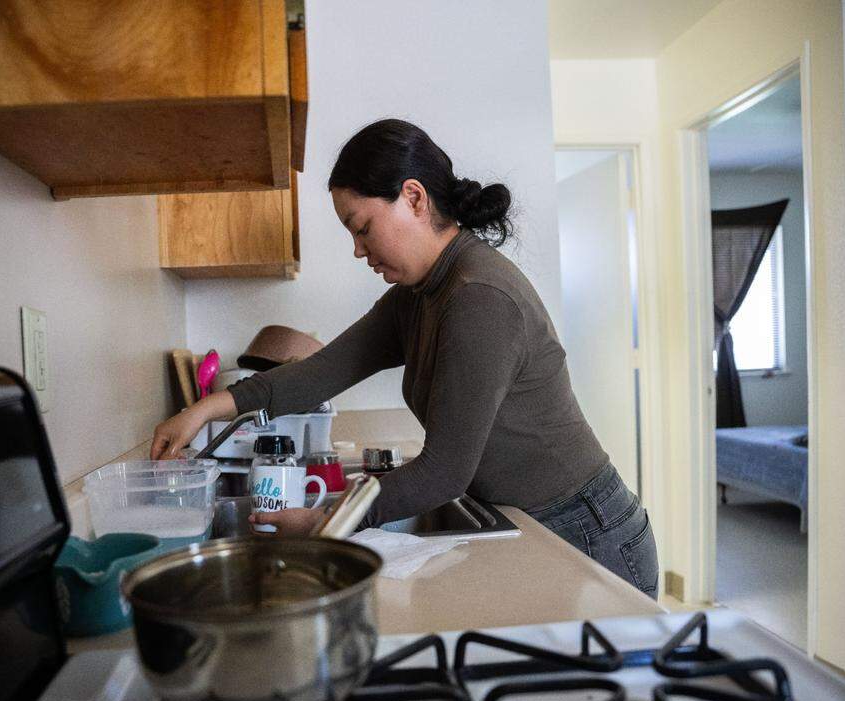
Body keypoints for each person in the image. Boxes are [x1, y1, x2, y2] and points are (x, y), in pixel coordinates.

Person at [150, 119, 659, 597]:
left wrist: (328, 517)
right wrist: (203, 410)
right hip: (537, 520)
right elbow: (319, 374)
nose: (357, 248)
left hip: (587, 532)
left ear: (413, 198)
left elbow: (443, 474)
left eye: (362, 227)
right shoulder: (419, 295)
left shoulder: (478, 297)